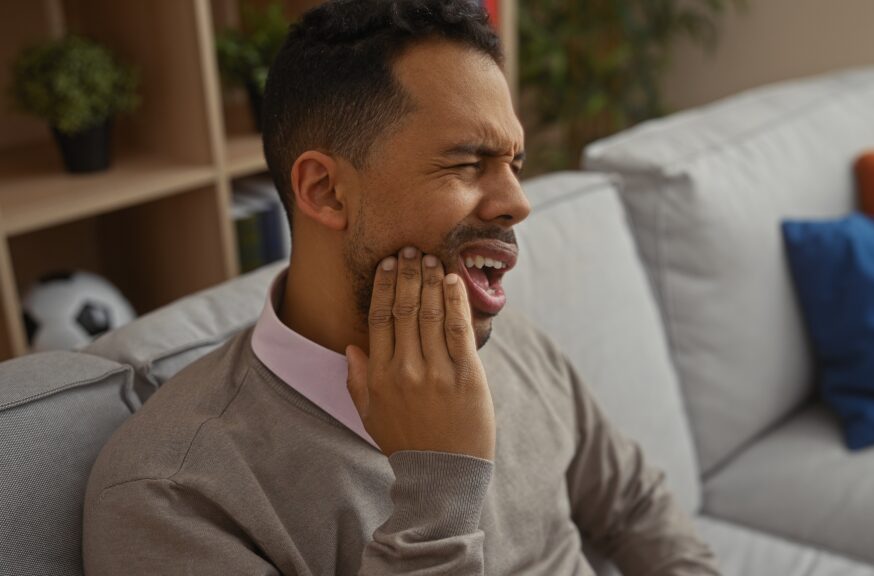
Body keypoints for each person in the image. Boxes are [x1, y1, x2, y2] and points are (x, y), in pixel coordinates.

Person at [82, 1, 720, 574]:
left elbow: (635, 507)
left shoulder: (511, 341)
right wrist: (438, 490)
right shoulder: (171, 494)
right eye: (469, 163)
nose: (518, 203)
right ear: (326, 191)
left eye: (514, 165)